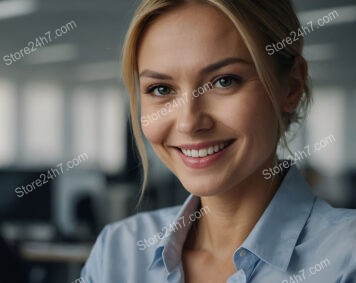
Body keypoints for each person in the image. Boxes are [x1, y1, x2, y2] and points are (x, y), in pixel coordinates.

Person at [81, 0, 356, 282]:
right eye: (161, 89)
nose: (189, 122)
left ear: (291, 87)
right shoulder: (117, 252)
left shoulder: (346, 258)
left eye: (225, 81)